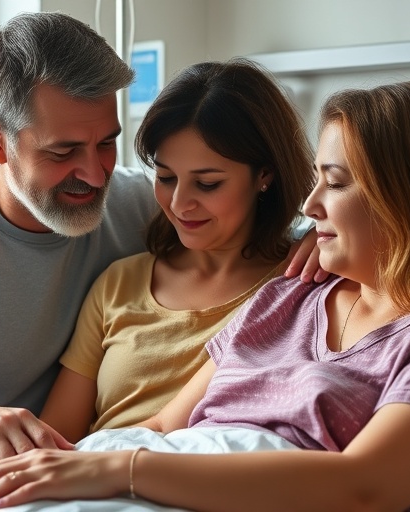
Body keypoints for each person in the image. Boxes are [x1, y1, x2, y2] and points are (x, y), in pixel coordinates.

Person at [0, 49, 410, 512]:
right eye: (317, 180)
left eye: (335, 182)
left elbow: (367, 485)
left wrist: (124, 472)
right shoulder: (294, 295)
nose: (311, 204)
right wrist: (69, 470)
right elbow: (168, 429)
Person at [0, 11, 320, 477]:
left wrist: (323, 237)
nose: (94, 174)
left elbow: (246, 228)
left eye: (107, 143)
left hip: (85, 463)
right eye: (63, 151)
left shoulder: (140, 203)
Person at [38, 58, 314, 443]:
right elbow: (55, 439)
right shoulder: (120, 283)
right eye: (166, 178)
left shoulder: (302, 284)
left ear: (264, 175)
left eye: (208, 184)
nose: (180, 204)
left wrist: (332, 238)